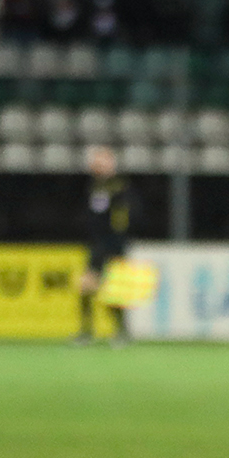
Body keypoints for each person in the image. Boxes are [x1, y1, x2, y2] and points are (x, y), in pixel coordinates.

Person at [75, 145, 132, 346]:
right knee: (85, 287)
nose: (97, 165)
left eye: (102, 161)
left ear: (111, 164)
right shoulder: (93, 186)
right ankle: (86, 332)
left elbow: (123, 217)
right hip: (97, 244)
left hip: (113, 244)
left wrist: (118, 242)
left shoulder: (120, 186)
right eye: (96, 161)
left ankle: (121, 332)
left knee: (114, 291)